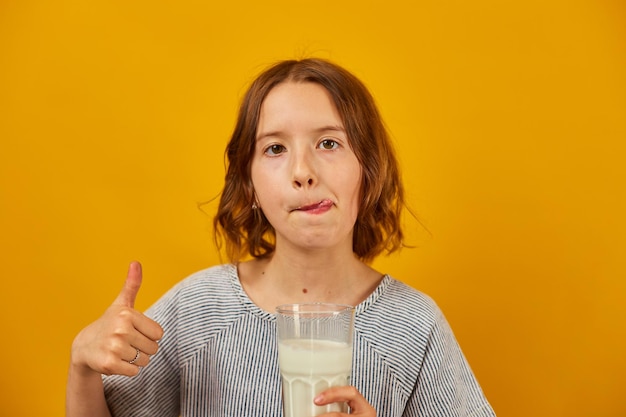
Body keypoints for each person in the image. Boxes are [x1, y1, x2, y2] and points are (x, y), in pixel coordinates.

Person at [66, 58, 496, 417]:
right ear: (249, 184)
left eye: (329, 143)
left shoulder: (413, 326)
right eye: (275, 148)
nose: (303, 172)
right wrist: (82, 365)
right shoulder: (198, 310)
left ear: (369, 169)